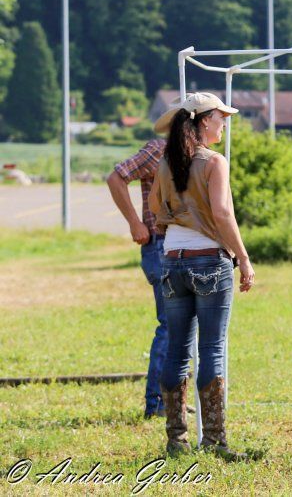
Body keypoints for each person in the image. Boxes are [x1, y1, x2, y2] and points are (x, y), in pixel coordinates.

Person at [149, 92, 255, 460]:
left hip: (171, 261)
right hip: (209, 261)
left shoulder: (166, 162)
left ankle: (175, 440)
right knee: (212, 348)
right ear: (203, 120)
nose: (225, 123)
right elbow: (224, 214)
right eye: (221, 117)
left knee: (177, 349)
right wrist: (243, 257)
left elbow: (152, 207)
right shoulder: (214, 162)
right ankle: (214, 441)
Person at [107, 136, 168, 418]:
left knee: (179, 328)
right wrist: (135, 222)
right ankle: (157, 403)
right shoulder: (159, 148)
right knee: (169, 326)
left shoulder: (196, 151)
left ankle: (170, 400)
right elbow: (117, 177)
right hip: (159, 244)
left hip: (176, 246)